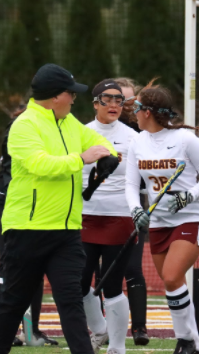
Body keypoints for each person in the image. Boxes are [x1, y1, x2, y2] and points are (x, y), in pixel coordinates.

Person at [0, 63, 118, 354]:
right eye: (71, 93)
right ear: (55, 96)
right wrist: (83, 159)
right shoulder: (24, 125)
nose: (75, 99)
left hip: (66, 231)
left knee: (71, 300)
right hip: (27, 230)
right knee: (13, 303)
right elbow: (41, 164)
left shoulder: (69, 121)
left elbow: (97, 140)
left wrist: (108, 155)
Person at [125, 80, 199, 354]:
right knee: (170, 281)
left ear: (148, 112)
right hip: (159, 221)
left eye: (137, 107)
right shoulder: (137, 142)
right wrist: (136, 210)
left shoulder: (186, 140)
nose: (134, 113)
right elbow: (131, 185)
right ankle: (195, 344)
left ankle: (184, 340)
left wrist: (188, 197)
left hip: (192, 216)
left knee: (173, 276)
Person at [0, 106, 58, 347]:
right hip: (9, 202)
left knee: (34, 265)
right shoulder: (22, 131)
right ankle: (4, 332)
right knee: (7, 266)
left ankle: (31, 331)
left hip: (32, 203)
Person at [80, 79, 139, 354]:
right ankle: (100, 329)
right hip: (84, 217)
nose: (114, 104)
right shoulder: (79, 133)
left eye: (119, 99)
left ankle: (117, 348)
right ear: (95, 103)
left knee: (112, 284)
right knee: (78, 281)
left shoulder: (133, 137)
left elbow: (143, 178)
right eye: (107, 99)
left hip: (119, 216)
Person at [113, 77, 150, 345]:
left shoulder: (142, 132)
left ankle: (139, 328)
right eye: (117, 100)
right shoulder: (96, 130)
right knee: (104, 270)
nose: (123, 106)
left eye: (128, 101)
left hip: (133, 208)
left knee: (133, 268)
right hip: (102, 211)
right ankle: (104, 327)